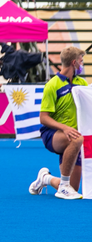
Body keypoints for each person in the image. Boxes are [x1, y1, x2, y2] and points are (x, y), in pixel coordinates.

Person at [28, 46, 86, 200]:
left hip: (72, 136)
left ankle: (45, 178)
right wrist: (64, 128)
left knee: (74, 188)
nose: (82, 64)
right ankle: (63, 187)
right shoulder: (52, 85)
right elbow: (43, 118)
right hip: (53, 134)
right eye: (81, 61)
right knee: (77, 139)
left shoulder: (82, 83)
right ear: (74, 62)